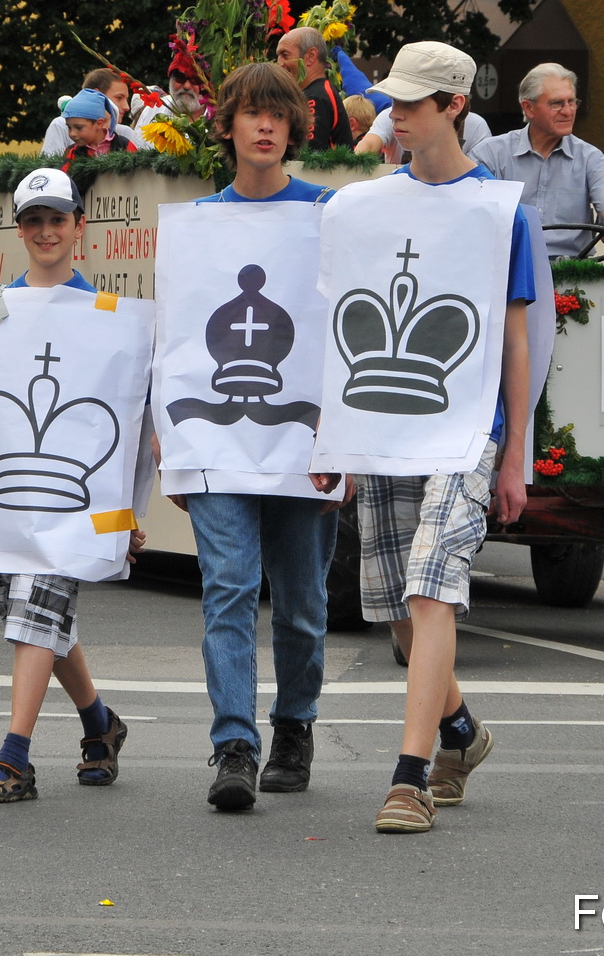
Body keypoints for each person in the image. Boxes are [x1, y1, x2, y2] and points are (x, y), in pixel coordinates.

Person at [353, 42, 540, 834]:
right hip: (382, 422)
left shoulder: (499, 210)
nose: (394, 115)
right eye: (391, 101)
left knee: (431, 588)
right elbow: (344, 317)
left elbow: (514, 338)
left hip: (465, 429)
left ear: (454, 106)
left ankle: (410, 778)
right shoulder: (367, 204)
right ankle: (460, 732)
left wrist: (515, 450)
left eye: (410, 103)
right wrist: (333, 436)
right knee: (398, 607)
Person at [166, 63, 346, 811]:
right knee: (229, 591)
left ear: (294, 126)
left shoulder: (329, 214)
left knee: (300, 601)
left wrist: (346, 436)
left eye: (277, 113)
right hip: (214, 440)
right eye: (251, 112)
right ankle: (234, 745)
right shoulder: (196, 222)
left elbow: (346, 328)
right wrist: (170, 440)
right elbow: (176, 333)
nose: (265, 125)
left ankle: (294, 725)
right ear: (229, 125)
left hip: (306, 438)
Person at [0, 168, 145, 804]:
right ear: (19, 229)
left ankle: (14, 758)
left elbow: (128, 421)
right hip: (7, 500)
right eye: (34, 220)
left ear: (78, 227)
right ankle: (100, 724)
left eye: (57, 219)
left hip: (70, 504)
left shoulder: (107, 317)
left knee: (35, 612)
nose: (46, 231)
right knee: (33, 615)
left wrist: (128, 510)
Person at [471, 62, 604, 259]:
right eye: (557, 103)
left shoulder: (590, 157)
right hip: (510, 266)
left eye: (572, 102)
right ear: (528, 108)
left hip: (573, 269)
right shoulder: (490, 153)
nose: (568, 111)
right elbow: (472, 215)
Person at [274, 27, 352, 150]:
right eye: (278, 56)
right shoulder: (317, 92)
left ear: (311, 56)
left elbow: (308, 154)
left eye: (285, 55)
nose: (280, 63)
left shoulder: (316, 97)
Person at [40, 69, 148, 157]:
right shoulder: (61, 125)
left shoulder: (125, 133)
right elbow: (50, 171)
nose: (127, 107)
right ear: (97, 94)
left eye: (78, 127)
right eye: (119, 98)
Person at [355, 102, 491, 161]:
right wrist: (356, 160)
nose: (394, 114)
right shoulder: (387, 116)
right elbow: (369, 144)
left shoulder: (476, 125)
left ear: (454, 105)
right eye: (395, 100)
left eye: (413, 102)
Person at [57, 87, 141, 173]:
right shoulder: (73, 152)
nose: (72, 133)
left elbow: (140, 172)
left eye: (79, 127)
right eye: (69, 127)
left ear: (99, 123)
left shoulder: (123, 145)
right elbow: (64, 178)